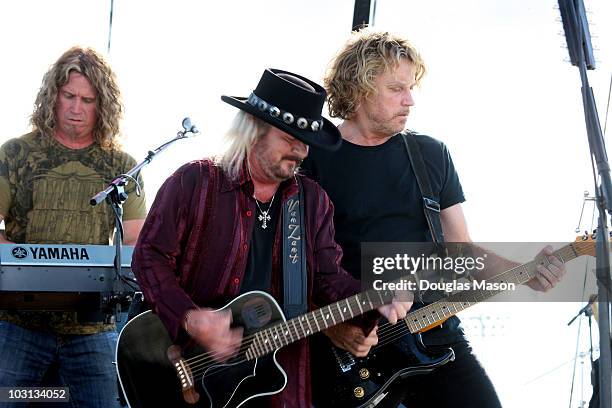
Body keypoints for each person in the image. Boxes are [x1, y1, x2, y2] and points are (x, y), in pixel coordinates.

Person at [301, 29, 566, 408]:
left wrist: (529, 272)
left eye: (411, 88)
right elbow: (291, 266)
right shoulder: (312, 159)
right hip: (351, 350)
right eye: (396, 88)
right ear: (359, 88)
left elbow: (461, 251)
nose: (409, 100)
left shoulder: (430, 154)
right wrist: (332, 326)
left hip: (434, 334)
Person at [131, 68, 411, 408]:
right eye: (289, 139)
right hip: (182, 367)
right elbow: (149, 256)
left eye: (306, 141)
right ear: (254, 131)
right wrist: (191, 318)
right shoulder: (196, 182)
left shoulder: (312, 202)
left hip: (277, 381)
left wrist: (373, 297)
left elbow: (328, 281)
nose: (302, 152)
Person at [0, 47, 146, 407]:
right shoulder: (16, 153)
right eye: (68, 96)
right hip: (19, 326)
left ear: (103, 104)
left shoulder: (122, 165)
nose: (76, 108)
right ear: (54, 96)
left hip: (93, 331)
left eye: (87, 99)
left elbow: (136, 240)